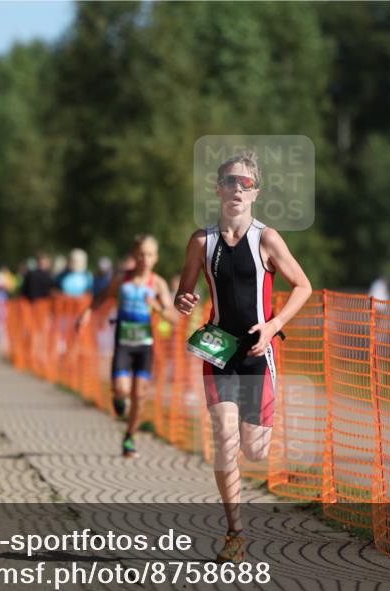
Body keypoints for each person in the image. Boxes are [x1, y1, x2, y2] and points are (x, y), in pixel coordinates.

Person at [174, 150, 312, 563]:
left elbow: (303, 286)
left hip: (257, 352)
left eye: (245, 183)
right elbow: (183, 291)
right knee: (224, 436)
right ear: (218, 189)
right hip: (219, 351)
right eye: (230, 182)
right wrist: (183, 299)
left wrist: (271, 327)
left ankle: (259, 435)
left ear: (256, 193)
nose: (238, 188)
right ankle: (235, 533)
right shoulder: (202, 241)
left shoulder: (266, 239)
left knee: (254, 450)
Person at [77, 235, 178, 458]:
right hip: (123, 344)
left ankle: (130, 437)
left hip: (144, 347)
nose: (144, 259)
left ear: (156, 258)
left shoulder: (158, 283)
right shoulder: (121, 279)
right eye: (141, 254)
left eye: (149, 254)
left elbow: (174, 318)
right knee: (122, 390)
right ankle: (119, 398)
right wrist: (86, 313)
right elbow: (101, 298)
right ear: (134, 256)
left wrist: (158, 308)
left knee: (139, 396)